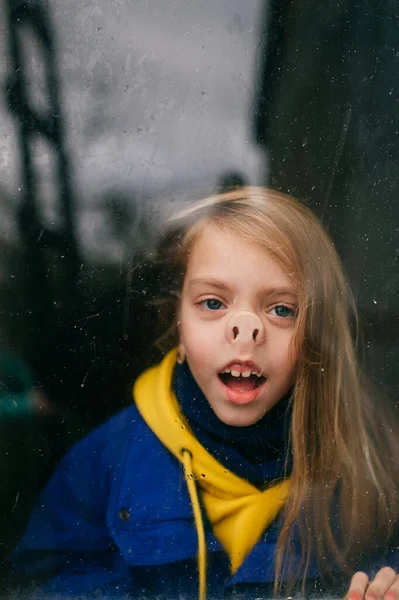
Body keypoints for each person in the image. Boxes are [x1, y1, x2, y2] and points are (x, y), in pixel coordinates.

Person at [11, 187, 399, 599]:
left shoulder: (368, 467)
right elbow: (38, 582)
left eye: (282, 309)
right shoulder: (104, 462)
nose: (246, 328)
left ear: (314, 341)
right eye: (213, 303)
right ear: (178, 323)